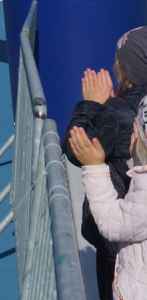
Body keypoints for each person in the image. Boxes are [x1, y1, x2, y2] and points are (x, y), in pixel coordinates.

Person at [63, 26, 147, 300]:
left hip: (117, 238)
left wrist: (92, 106)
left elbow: (76, 149)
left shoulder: (114, 112)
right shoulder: (133, 110)